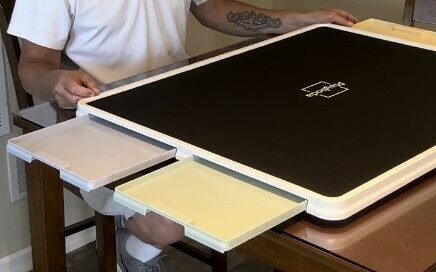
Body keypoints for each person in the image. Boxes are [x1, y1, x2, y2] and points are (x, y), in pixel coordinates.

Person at [8, 0, 358, 271]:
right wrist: (56, 82)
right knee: (172, 220)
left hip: (182, 101)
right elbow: (32, 65)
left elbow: (213, 10)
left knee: (277, 163)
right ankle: (136, 249)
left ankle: (134, 242)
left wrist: (301, 20)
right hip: (100, 117)